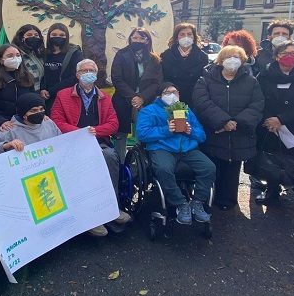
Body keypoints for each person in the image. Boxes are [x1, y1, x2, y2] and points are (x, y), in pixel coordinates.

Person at [50, 60, 133, 233]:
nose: (88, 73)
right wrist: (80, 132)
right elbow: (56, 121)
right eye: (84, 70)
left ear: (96, 74)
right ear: (77, 74)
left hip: (98, 141)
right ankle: (88, 215)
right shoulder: (63, 95)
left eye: (91, 70)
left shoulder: (104, 97)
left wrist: (94, 131)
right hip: (71, 142)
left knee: (110, 157)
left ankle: (111, 207)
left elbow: (113, 124)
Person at [192, 45, 264, 211]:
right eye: (228, 57)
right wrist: (223, 121)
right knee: (212, 166)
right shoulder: (206, 79)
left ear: (242, 60)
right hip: (214, 131)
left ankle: (228, 200)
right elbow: (202, 102)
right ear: (220, 60)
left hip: (239, 133)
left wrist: (236, 122)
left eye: (236, 57)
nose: (232, 60)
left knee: (232, 169)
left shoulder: (251, 81)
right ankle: (206, 198)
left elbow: (257, 105)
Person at [255, 41, 294, 219]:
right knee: (272, 161)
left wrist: (282, 119)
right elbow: (259, 98)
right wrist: (270, 120)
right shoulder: (265, 75)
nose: (289, 56)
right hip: (270, 126)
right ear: (277, 56)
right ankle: (272, 192)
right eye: (285, 53)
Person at [135, 82, 215, 226]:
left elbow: (202, 135)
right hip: (162, 148)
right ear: (159, 96)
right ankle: (180, 203)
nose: (172, 95)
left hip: (187, 149)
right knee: (164, 169)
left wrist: (191, 131)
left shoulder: (186, 110)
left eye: (175, 92)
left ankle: (197, 202)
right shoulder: (149, 111)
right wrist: (166, 130)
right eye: (167, 92)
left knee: (209, 167)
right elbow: (142, 134)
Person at [110, 27, 163, 155]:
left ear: (147, 40)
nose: (137, 40)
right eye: (134, 37)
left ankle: (141, 161)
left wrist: (142, 97)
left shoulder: (154, 59)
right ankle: (120, 163)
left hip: (145, 101)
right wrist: (133, 96)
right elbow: (117, 78)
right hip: (124, 98)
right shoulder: (121, 54)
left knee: (142, 131)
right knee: (121, 133)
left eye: (141, 38)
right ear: (130, 39)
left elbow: (157, 82)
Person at [160, 22, 209, 106]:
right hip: (173, 98)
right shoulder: (166, 55)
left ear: (194, 37)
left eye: (189, 34)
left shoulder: (202, 56)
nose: (186, 37)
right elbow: (163, 78)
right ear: (176, 37)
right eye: (182, 34)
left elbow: (205, 80)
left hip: (194, 98)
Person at [40, 23, 83, 109]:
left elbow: (75, 76)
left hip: (66, 95)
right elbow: (42, 73)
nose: (58, 37)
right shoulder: (44, 53)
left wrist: (52, 91)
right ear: (49, 36)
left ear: (66, 36)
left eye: (62, 35)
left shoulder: (75, 53)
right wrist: (42, 89)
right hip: (45, 97)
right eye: (54, 34)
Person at [12, 24, 45, 91]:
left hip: (38, 94)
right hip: (24, 94)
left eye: (36, 35)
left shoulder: (37, 54)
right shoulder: (17, 55)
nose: (33, 37)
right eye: (29, 35)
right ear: (21, 38)